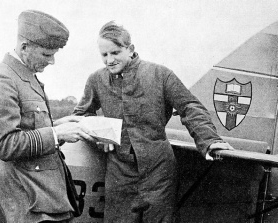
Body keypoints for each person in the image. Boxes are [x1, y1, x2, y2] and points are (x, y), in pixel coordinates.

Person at [72, 21, 234, 223]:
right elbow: (80, 115)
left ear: (130, 49)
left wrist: (210, 140)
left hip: (159, 173)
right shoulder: (96, 80)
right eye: (104, 55)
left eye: (115, 52)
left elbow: (190, 107)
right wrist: (100, 134)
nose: (109, 60)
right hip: (119, 174)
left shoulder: (160, 75)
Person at [0, 10, 93, 223]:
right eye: (47, 54)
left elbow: (29, 128)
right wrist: (56, 133)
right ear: (25, 47)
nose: (52, 61)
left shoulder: (26, 77)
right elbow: (5, 145)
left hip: (47, 201)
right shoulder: (3, 80)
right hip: (30, 204)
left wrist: (62, 125)